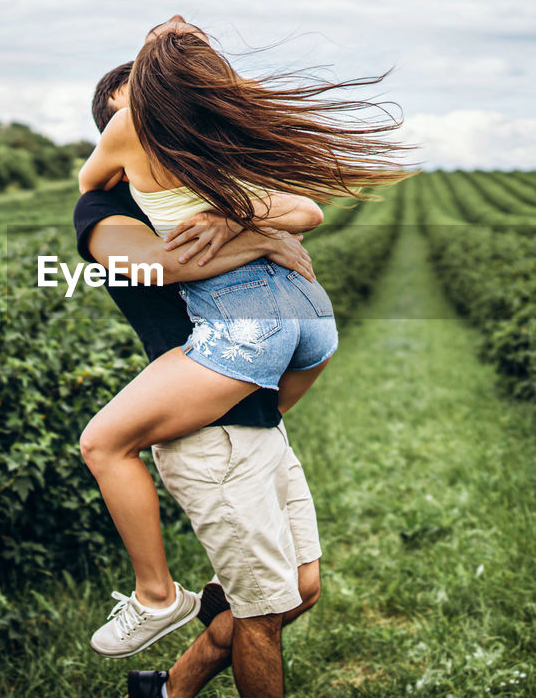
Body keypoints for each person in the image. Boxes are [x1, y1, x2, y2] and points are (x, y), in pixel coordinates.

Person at [76, 66, 321, 698]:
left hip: (261, 421)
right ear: (115, 121)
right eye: (141, 99)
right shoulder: (104, 209)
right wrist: (260, 238)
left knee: (299, 590)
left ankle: (165, 691)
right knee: (263, 614)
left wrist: (251, 223)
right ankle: (159, 608)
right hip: (208, 433)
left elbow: (305, 208)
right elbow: (160, 266)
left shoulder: (205, 183)